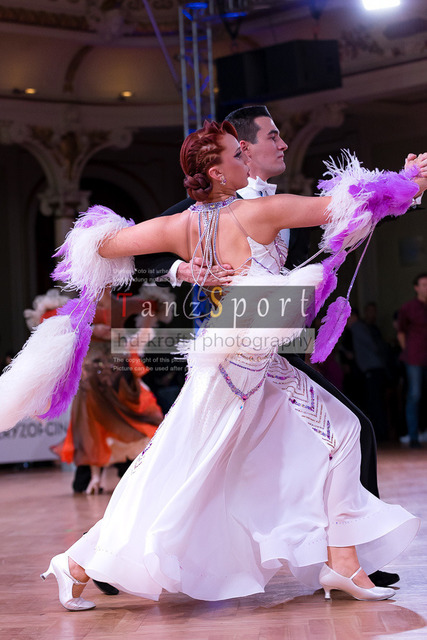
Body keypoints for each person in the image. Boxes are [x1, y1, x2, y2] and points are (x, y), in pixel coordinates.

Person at [40, 121, 427, 611]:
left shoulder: (181, 225)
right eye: (237, 156)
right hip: (235, 371)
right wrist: (409, 179)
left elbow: (100, 245)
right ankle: (76, 563)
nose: (247, 158)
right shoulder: (259, 212)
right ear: (218, 173)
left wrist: (184, 265)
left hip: (247, 366)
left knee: (341, 432)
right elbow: (341, 205)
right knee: (179, 477)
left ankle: (343, 561)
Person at [135, 105, 398, 587]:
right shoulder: (203, 208)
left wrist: (403, 191)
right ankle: (117, 554)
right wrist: (183, 269)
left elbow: (334, 223)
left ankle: (346, 558)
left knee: (337, 434)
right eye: (271, 136)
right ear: (243, 150)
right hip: (232, 353)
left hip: (279, 348)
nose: (282, 144)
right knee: (199, 459)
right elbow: (136, 258)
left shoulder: (274, 203)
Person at [397, 273, 427, 448]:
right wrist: (407, 351)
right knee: (414, 395)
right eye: (424, 285)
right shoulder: (408, 308)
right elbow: (400, 331)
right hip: (414, 357)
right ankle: (413, 436)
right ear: (416, 288)